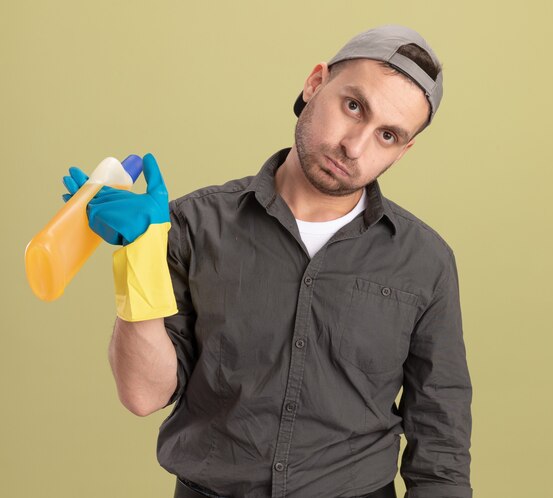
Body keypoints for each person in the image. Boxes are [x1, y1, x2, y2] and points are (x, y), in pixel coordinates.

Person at [63, 25, 472, 498]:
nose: (354, 146)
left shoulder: (425, 261)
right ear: (315, 83)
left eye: (387, 135)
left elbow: (440, 440)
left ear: (403, 150)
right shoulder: (195, 224)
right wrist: (138, 256)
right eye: (354, 106)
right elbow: (143, 395)